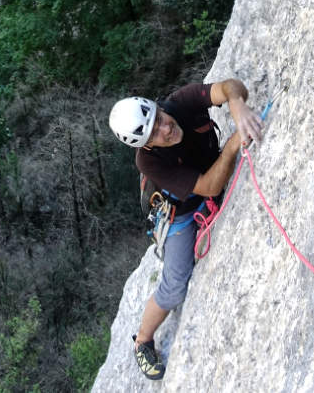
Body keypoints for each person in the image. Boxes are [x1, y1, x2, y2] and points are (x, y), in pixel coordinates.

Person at [108, 78, 264, 380]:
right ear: (146, 145)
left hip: (203, 188)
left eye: (159, 118)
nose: (166, 128)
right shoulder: (148, 161)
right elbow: (209, 186)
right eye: (154, 132)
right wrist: (232, 145)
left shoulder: (180, 102)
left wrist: (237, 106)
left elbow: (230, 87)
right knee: (175, 286)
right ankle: (142, 341)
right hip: (180, 215)